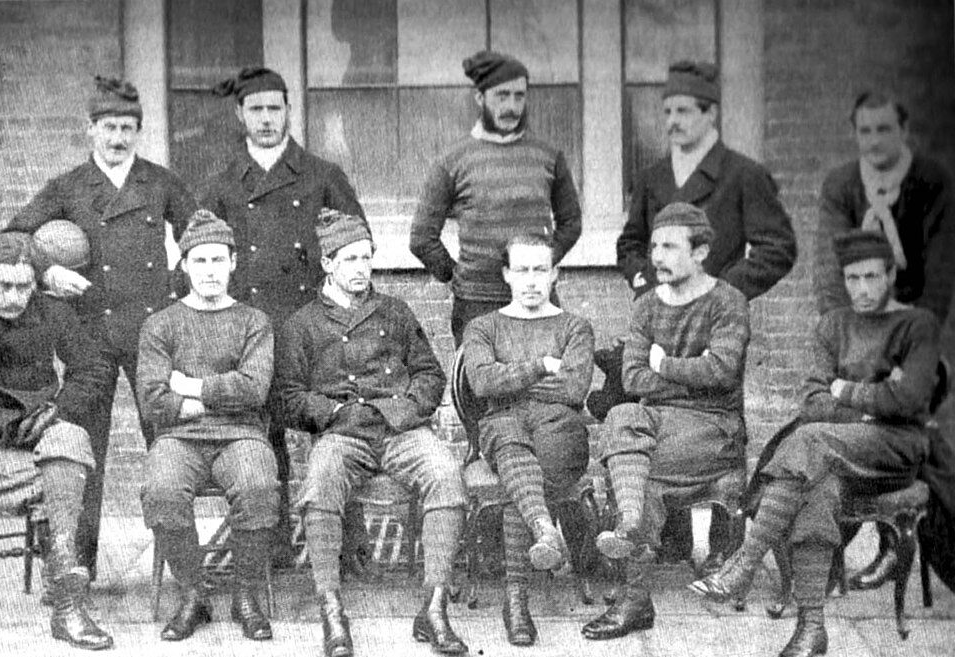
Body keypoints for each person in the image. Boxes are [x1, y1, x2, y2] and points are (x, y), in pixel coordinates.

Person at [691, 232, 940, 657]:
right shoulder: (833, 326)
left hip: (900, 454)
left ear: (890, 276)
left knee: (808, 441)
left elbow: (911, 402)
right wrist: (875, 400)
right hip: (839, 450)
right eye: (852, 278)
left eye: (870, 277)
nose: (861, 288)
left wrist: (847, 390)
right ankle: (811, 627)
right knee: (814, 489)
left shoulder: (916, 326)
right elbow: (812, 402)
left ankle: (744, 565)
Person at [4, 76, 198, 581]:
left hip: (152, 334)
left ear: (139, 132)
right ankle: (78, 565)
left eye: (128, 128)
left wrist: (179, 290)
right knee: (83, 445)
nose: (118, 137)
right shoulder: (67, 187)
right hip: (88, 337)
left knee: (168, 445)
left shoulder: (160, 182)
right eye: (109, 126)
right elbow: (10, 240)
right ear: (90, 129)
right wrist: (46, 272)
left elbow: (205, 236)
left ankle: (182, 566)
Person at [613, 60, 795, 573]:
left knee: (711, 407)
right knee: (650, 408)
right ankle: (661, 539)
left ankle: (722, 542)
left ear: (711, 113)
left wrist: (721, 290)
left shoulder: (742, 174)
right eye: (666, 110)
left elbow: (779, 247)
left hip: (715, 322)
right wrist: (645, 281)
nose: (672, 120)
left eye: (684, 111)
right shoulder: (652, 176)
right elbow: (629, 242)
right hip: (664, 310)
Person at [277, 210, 468, 657]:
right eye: (349, 259)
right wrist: (332, 411)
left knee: (445, 474)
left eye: (367, 258)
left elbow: (428, 372)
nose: (361, 269)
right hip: (343, 435)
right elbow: (288, 396)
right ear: (327, 264)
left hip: (399, 429)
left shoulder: (395, 312)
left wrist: (407, 409)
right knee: (319, 484)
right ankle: (332, 607)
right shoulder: (302, 324)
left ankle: (436, 606)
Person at [202, 67, 369, 571]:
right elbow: (199, 253)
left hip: (316, 324)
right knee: (263, 431)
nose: (267, 119)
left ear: (288, 112)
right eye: (256, 110)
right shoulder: (222, 183)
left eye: (275, 108)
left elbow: (356, 245)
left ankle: (349, 541)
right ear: (240, 115)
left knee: (336, 423)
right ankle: (270, 541)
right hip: (252, 328)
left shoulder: (323, 175)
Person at [0, 234, 113, 650]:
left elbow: (94, 367)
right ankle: (68, 592)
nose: (15, 297)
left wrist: (60, 409)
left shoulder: (52, 313)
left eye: (24, 287)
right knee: (67, 476)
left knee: (70, 437)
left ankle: (65, 598)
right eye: (4, 286)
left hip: (35, 439)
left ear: (36, 283)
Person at [581, 203, 750, 642]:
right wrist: (688, 371)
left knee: (639, 467)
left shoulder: (728, 303)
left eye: (670, 246)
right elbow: (633, 376)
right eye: (654, 245)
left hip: (714, 428)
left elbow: (723, 373)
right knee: (620, 415)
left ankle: (633, 595)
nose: (656, 256)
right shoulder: (646, 307)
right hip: (657, 419)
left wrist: (664, 364)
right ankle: (633, 521)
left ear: (701, 252)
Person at [813, 91, 955, 591]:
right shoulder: (842, 185)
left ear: (904, 131)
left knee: (904, 416)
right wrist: (849, 342)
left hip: (913, 330)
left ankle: (902, 535)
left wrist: (912, 347)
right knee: (850, 420)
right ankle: (834, 545)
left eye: (884, 130)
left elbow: (939, 276)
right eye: (864, 131)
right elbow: (832, 272)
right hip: (859, 326)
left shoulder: (931, 183)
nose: (874, 141)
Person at [137, 210, 279, 642]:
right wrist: (218, 399)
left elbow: (254, 390)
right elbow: (154, 402)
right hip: (178, 439)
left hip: (242, 436)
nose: (210, 271)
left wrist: (191, 387)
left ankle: (245, 593)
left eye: (218, 260)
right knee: (162, 489)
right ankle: (193, 592)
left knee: (257, 485)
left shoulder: (254, 321)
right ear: (183, 266)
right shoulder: (160, 324)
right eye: (199, 261)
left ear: (234, 262)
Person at [461, 234, 594, 646]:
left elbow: (573, 390)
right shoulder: (483, 327)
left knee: (525, 478)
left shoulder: (574, 327)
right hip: (503, 427)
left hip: (559, 429)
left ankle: (516, 593)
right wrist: (542, 365)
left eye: (541, 269)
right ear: (506, 274)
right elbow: (482, 383)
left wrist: (513, 381)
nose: (531, 280)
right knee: (509, 438)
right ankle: (529, 567)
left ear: (555, 274)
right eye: (522, 270)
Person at [409, 50, 582, 345]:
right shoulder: (453, 160)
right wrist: (460, 276)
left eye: (519, 96)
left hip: (538, 301)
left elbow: (571, 222)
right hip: (478, 305)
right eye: (502, 96)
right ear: (480, 98)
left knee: (545, 382)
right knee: (482, 387)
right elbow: (422, 238)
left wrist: (540, 265)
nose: (512, 106)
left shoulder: (548, 155)